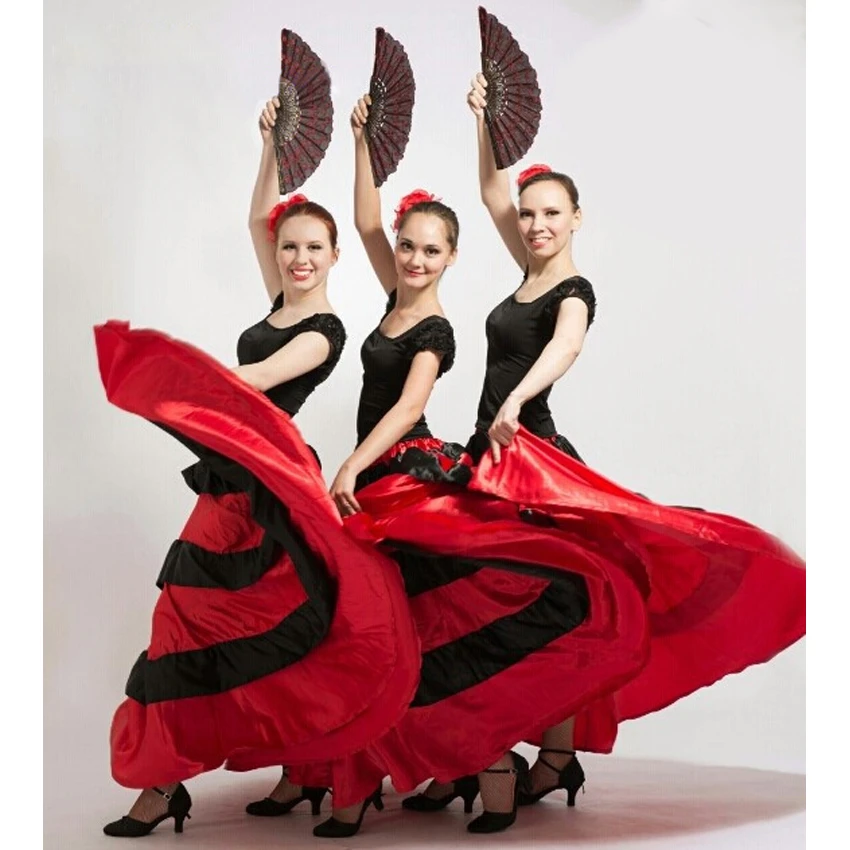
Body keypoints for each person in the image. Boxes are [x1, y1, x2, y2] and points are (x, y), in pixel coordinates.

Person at [98, 98, 413, 837]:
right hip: (234, 473)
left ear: (336, 258)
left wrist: (174, 383)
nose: (298, 259)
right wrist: (270, 144)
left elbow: (247, 386)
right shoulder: (278, 297)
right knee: (184, 616)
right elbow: (256, 221)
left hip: (269, 484)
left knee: (285, 627)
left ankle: (315, 771)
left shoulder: (323, 331)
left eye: (313, 249)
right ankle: (170, 782)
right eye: (290, 248)